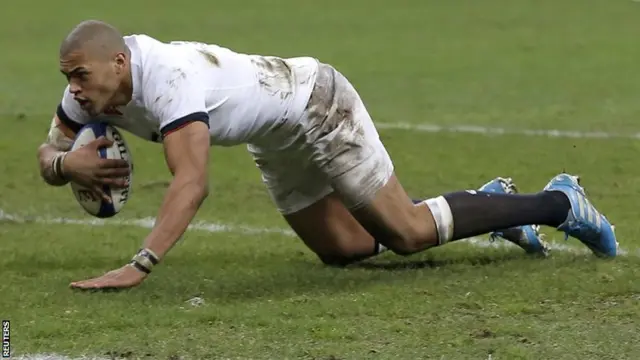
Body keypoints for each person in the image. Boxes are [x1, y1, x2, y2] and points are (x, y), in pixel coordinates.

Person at [37, 20, 618, 290]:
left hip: (314, 100)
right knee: (344, 251)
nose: (76, 90)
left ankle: (559, 203)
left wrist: (139, 265)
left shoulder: (170, 78)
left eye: (82, 75)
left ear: (119, 63)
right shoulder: (84, 93)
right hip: (274, 136)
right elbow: (48, 154)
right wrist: (67, 165)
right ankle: (485, 207)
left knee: (408, 233)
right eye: (70, 79)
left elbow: (191, 182)